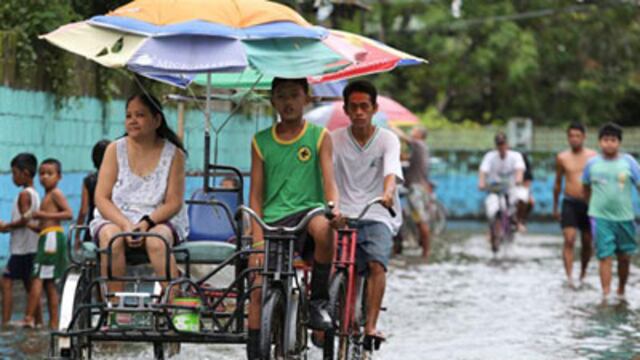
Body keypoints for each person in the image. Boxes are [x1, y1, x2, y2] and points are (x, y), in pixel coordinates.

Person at [247, 77, 340, 359]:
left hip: (309, 213)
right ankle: (255, 350)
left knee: (325, 229)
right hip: (272, 221)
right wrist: (257, 240)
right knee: (256, 286)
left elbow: (328, 180)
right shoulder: (260, 140)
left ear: (306, 99)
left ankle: (318, 303)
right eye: (282, 96)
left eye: (294, 95)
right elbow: (255, 195)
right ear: (273, 100)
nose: (288, 102)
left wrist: (334, 207)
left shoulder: (320, 136)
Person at [90, 93, 188, 319]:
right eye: (128, 116)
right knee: (111, 238)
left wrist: (146, 223)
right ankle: (117, 309)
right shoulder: (114, 149)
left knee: (157, 240)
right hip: (116, 218)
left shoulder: (175, 154)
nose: (133, 121)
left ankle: (175, 304)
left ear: (156, 120)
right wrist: (125, 224)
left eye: (140, 115)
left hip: (160, 219)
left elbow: (173, 202)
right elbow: (102, 198)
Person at [333, 80, 403, 355]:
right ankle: (325, 314)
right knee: (328, 260)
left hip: (377, 211)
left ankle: (371, 326)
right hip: (343, 212)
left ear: (374, 108)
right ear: (346, 109)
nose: (359, 112)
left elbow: (391, 172)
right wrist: (334, 209)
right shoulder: (334, 139)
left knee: (377, 263)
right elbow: (329, 177)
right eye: (354, 107)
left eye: (365, 106)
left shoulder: (388, 139)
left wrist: (387, 194)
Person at [582, 123, 640, 300]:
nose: (609, 144)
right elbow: (585, 188)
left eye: (613, 140)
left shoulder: (629, 162)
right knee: (604, 256)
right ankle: (606, 294)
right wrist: (592, 207)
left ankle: (621, 290)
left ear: (619, 143)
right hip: (600, 218)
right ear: (600, 142)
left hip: (625, 217)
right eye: (605, 140)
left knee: (624, 256)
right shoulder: (592, 164)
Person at [22, 158, 73, 328]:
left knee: (37, 278)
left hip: (51, 238)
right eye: (42, 174)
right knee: (49, 283)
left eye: (49, 173)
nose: (44, 177)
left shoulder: (56, 194)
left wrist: (42, 215)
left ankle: (28, 318)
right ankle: (53, 322)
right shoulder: (47, 196)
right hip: (47, 235)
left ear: (59, 176)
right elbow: (44, 224)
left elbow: (68, 214)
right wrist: (29, 224)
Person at [0, 153, 43, 327]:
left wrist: (6, 226)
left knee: (6, 283)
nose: (13, 177)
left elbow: (25, 221)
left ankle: (6, 322)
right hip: (30, 246)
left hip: (21, 248)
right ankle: (38, 321)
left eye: (14, 173)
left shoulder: (24, 195)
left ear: (25, 173)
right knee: (30, 286)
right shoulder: (34, 194)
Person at [553, 123, 597, 285]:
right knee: (569, 240)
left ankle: (583, 274)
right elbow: (558, 183)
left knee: (587, 242)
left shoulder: (593, 157)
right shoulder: (562, 157)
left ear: (584, 137)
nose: (574, 139)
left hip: (588, 203)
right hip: (569, 202)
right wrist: (555, 206)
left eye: (577, 136)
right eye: (571, 136)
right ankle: (569, 277)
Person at [478, 132, 527, 250]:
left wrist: (518, 179)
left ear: (507, 144)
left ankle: (518, 221)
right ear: (496, 145)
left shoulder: (516, 156)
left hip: (511, 188)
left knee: (523, 197)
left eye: (503, 144)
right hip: (494, 189)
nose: (501, 147)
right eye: (499, 144)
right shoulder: (489, 156)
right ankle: (493, 232)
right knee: (491, 211)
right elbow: (483, 171)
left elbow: (519, 170)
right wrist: (481, 182)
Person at [391, 125, 431, 260]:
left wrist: (391, 126)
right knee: (415, 218)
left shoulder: (419, 144)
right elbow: (408, 159)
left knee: (420, 220)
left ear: (420, 134)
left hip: (416, 189)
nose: (412, 133)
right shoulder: (421, 149)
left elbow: (404, 138)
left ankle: (426, 252)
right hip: (417, 188)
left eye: (414, 131)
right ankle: (420, 248)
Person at [75, 139, 110, 249]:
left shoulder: (89, 180)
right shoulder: (118, 179)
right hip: (113, 226)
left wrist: (77, 235)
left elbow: (83, 210)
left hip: (93, 226)